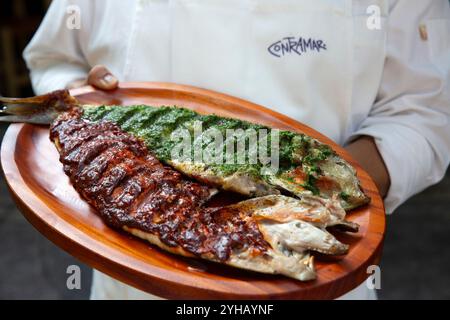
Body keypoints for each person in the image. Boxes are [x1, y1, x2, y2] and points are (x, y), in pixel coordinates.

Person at [23, 0, 450, 299]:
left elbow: (425, 110)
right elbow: (55, 60)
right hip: (132, 280)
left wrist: (323, 197)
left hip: (307, 279)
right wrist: (84, 99)